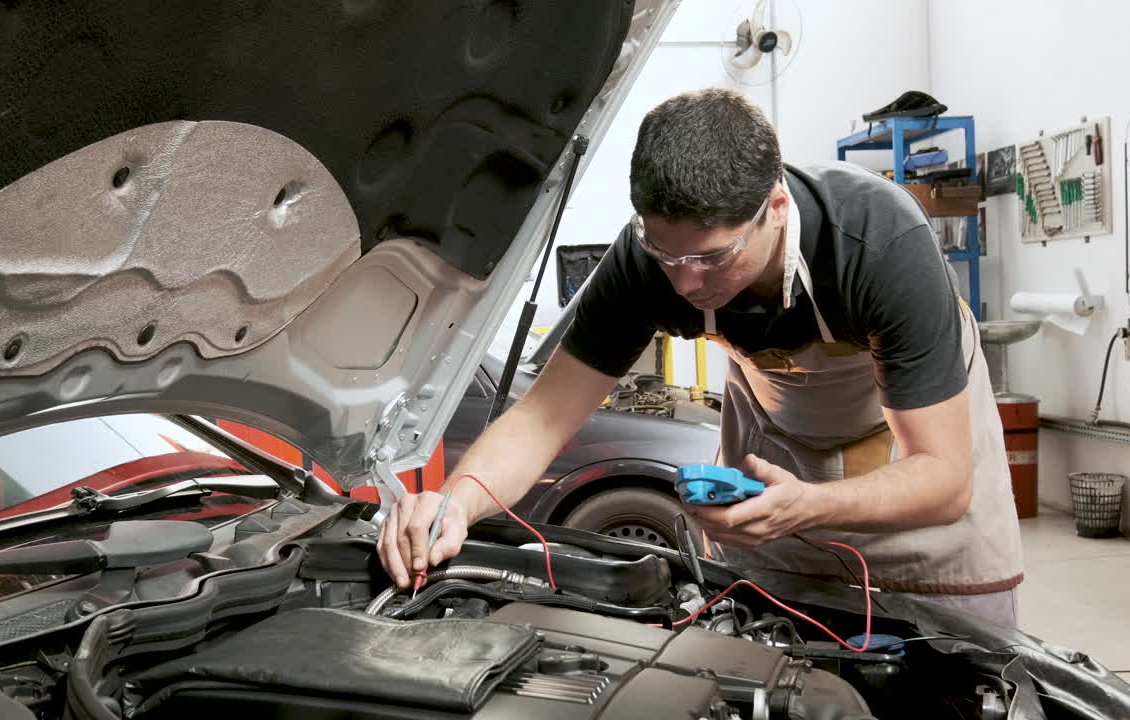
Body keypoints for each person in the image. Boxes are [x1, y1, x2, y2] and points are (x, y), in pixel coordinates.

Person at [377, 88, 1024, 626]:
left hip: (919, 493)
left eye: (712, 258)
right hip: (780, 486)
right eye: (666, 254)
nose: (684, 283)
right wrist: (457, 502)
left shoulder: (879, 244)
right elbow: (542, 419)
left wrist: (811, 503)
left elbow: (943, 477)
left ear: (774, 207)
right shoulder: (645, 265)